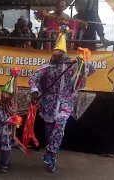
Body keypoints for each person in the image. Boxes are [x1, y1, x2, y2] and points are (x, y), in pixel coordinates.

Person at [29, 26, 96, 172]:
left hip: (65, 101)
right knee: (49, 131)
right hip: (48, 103)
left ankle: (50, 152)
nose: (56, 55)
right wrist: (34, 91)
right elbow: (33, 78)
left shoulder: (71, 65)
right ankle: (51, 156)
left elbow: (91, 69)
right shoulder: (47, 67)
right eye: (54, 52)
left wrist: (83, 59)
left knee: (60, 124)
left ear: (63, 53)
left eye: (59, 53)